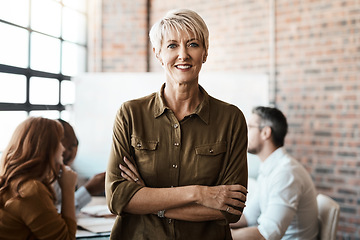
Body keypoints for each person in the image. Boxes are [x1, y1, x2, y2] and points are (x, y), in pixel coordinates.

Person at [105, 8, 248, 240]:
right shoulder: (130, 114)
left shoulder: (231, 119)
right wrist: (200, 194)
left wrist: (149, 199)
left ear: (205, 52)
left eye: (192, 44)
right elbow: (117, 198)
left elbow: (230, 209)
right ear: (158, 54)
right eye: (172, 46)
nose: (183, 55)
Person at [230, 106, 319, 240]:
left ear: (265, 132)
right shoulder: (269, 168)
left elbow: (266, 235)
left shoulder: (286, 173)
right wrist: (211, 225)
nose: (244, 132)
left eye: (250, 127)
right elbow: (249, 217)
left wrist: (221, 235)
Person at [0, 117, 77, 240]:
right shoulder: (32, 190)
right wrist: (68, 189)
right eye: (59, 142)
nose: (63, 149)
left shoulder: (14, 183)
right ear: (47, 147)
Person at [55, 119, 105, 212]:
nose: (66, 150)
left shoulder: (65, 171)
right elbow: (54, 215)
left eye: (73, 144)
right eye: (68, 146)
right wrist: (88, 190)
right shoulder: (39, 180)